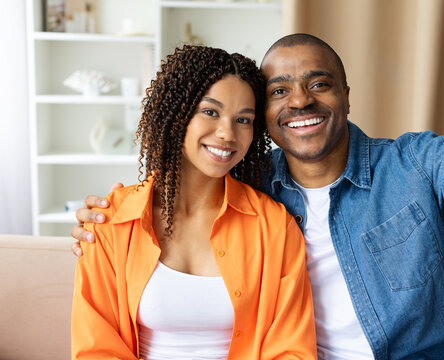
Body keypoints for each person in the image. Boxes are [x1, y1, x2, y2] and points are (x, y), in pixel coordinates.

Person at [72, 34, 444, 359]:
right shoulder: (251, 188)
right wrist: (109, 215)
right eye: (280, 90)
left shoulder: (413, 168)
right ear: (268, 115)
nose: (300, 101)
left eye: (318, 84)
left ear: (347, 96)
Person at [70, 45, 316, 359]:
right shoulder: (112, 218)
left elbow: (291, 349)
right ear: (177, 113)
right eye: (210, 112)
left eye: (243, 120)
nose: (228, 133)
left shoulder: (274, 226)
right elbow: (96, 348)